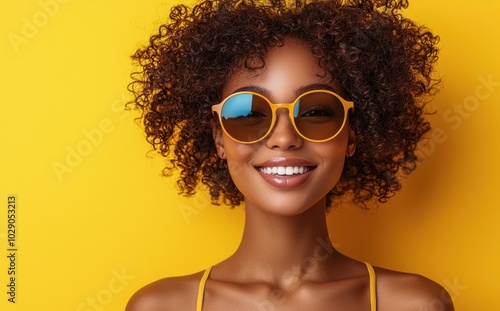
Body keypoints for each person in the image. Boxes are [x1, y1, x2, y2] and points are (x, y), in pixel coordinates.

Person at [126, 0, 454, 310]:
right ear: (219, 138)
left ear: (351, 133)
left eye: (315, 112)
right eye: (248, 114)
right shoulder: (161, 306)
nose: (284, 138)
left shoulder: (412, 304)